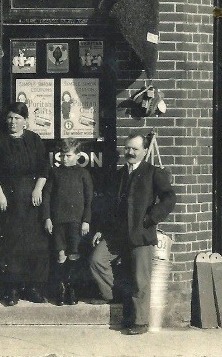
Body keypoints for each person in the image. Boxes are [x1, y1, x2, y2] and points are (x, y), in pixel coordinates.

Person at [88, 133, 177, 335]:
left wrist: (150, 219)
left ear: (145, 151)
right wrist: (102, 229)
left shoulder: (153, 173)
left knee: (140, 279)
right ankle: (117, 295)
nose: (130, 152)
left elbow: (169, 199)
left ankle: (140, 322)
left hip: (141, 234)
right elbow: (110, 206)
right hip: (117, 234)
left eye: (135, 149)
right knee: (97, 260)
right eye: (127, 148)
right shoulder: (120, 175)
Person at [0, 102, 50, 306]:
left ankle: (33, 287)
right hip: (9, 199)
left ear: (25, 121)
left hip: (32, 199)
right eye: (10, 118)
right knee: (12, 243)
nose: (13, 122)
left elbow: (44, 169)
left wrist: (38, 189)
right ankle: (12, 289)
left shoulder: (34, 140)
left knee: (34, 243)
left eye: (17, 118)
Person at [42, 138, 93, 306]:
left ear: (78, 156)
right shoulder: (55, 173)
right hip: (58, 221)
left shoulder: (83, 174)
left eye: (69, 155)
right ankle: (61, 289)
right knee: (60, 254)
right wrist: (47, 218)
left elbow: (89, 199)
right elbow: (47, 196)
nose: (65, 159)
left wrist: (86, 220)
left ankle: (72, 289)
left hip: (76, 222)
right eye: (62, 155)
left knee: (74, 253)